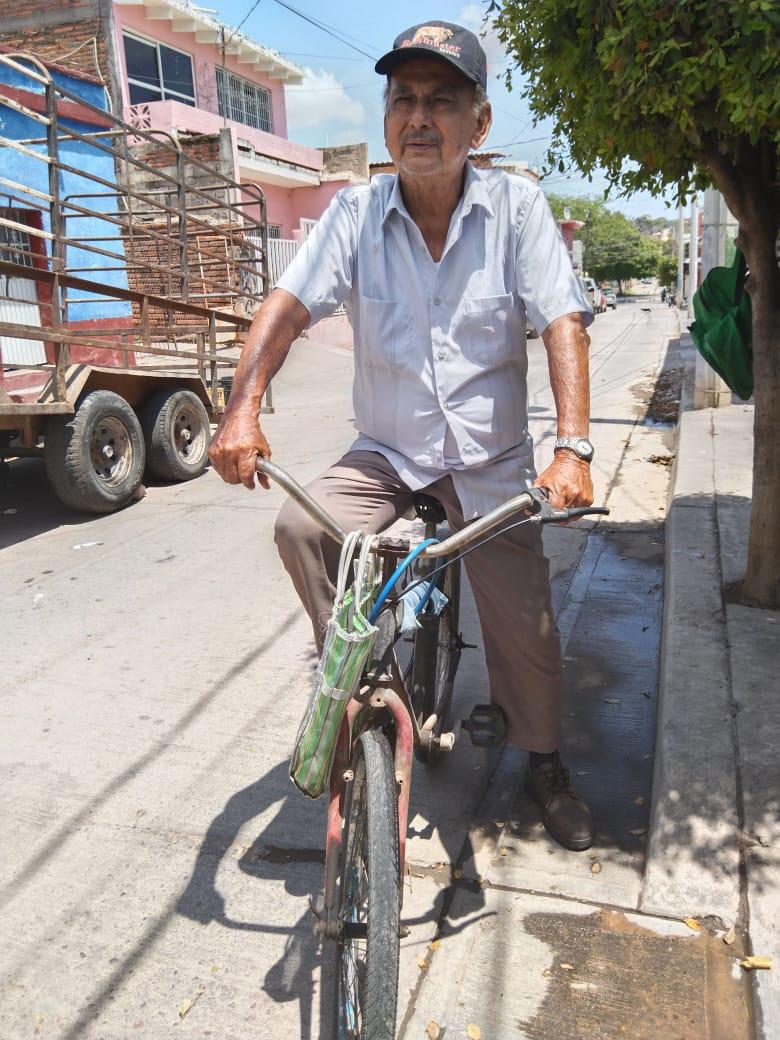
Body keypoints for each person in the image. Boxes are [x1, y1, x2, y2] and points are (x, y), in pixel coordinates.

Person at [209, 21, 596, 852]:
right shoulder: (354, 213)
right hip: (386, 452)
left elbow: (564, 321)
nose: (419, 118)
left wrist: (573, 446)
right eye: (403, 100)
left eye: (441, 101)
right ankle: (346, 671)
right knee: (300, 525)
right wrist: (241, 407)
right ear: (386, 117)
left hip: (490, 462)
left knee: (523, 614)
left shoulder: (518, 210)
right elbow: (284, 308)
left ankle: (545, 760)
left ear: (478, 125)